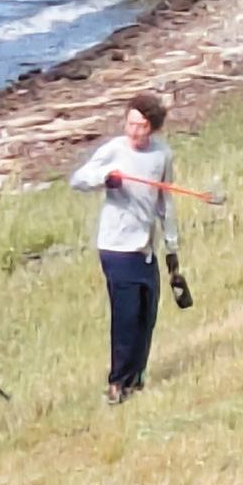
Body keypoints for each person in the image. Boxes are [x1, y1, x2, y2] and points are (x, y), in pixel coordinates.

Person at [69, 92, 182, 405]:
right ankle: (117, 383)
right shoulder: (115, 150)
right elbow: (78, 179)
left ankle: (136, 378)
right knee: (126, 315)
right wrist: (106, 178)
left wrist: (172, 245)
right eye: (130, 124)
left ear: (153, 127)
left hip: (145, 248)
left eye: (141, 126)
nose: (134, 131)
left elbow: (165, 202)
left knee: (147, 313)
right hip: (116, 247)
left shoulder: (162, 154)